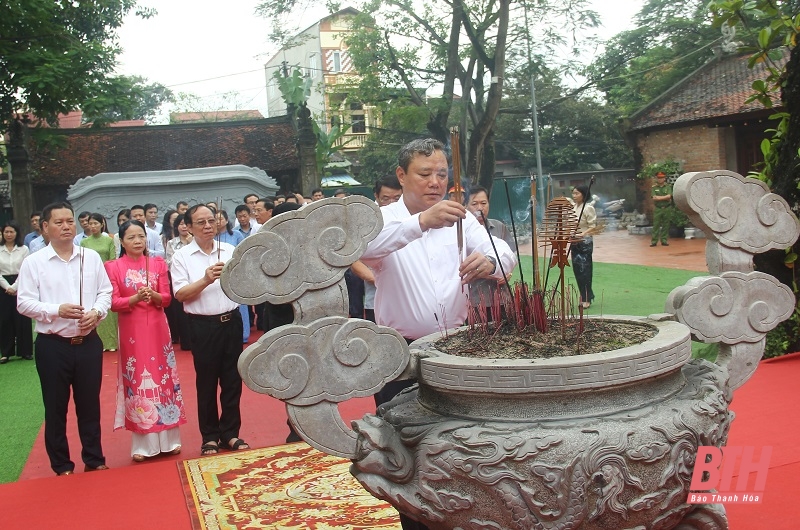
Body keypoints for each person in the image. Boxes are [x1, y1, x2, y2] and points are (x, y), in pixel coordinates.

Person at [360, 138, 516, 530]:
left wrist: (490, 263)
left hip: (458, 348)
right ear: (402, 175)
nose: (435, 182)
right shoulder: (384, 220)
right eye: (425, 174)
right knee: (406, 454)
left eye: (442, 174)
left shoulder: (463, 218)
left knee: (461, 447)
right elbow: (365, 250)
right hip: (400, 354)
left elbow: (505, 255)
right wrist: (421, 222)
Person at [17, 202, 112, 475]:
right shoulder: (34, 263)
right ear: (44, 227)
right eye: (58, 222)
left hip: (88, 343)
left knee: (89, 405)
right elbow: (24, 303)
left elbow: (105, 292)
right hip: (53, 345)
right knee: (56, 406)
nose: (66, 226)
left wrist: (97, 312)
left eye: (69, 221)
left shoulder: (90, 257)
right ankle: (61, 464)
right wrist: (55, 310)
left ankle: (94, 459)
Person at [171, 204, 249, 455]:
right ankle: (210, 436)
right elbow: (181, 294)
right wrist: (206, 279)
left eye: (211, 221)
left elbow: (245, 282)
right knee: (206, 384)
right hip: (202, 326)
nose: (207, 226)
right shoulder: (182, 256)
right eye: (201, 222)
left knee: (232, 381)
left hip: (232, 321)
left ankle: (230, 433)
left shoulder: (228, 250)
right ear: (189, 227)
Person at [105, 220, 187, 462]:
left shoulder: (158, 264)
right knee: (139, 379)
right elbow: (113, 303)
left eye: (141, 236)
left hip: (158, 329)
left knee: (163, 379)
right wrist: (133, 299)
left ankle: (170, 439)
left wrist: (153, 296)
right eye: (131, 237)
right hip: (132, 331)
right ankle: (143, 442)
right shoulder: (114, 267)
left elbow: (167, 298)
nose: (137, 241)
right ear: (121, 241)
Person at [351, 175, 403, 322]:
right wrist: (379, 279)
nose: (392, 203)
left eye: (397, 198)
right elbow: (355, 261)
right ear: (376, 196)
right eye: (386, 199)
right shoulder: (366, 221)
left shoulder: (411, 218)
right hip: (377, 297)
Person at [466, 186, 515, 315]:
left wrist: (508, 273)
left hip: (502, 297)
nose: (480, 208)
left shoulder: (499, 227)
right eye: (474, 204)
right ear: (465, 206)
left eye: (484, 203)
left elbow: (511, 255)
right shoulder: (460, 230)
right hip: (475, 300)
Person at [80, 213, 119, 351]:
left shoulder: (109, 240)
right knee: (94, 306)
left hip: (107, 275)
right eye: (90, 224)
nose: (93, 226)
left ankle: (112, 342)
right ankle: (100, 341)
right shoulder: (84, 242)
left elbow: (112, 258)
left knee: (107, 307)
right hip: (90, 277)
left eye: (96, 223)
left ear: (102, 224)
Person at [1, 220, 32, 363]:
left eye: (11, 232)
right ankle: (6, 352)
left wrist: (15, 287)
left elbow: (25, 270)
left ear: (16, 233)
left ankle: (25, 351)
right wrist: (7, 286)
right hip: (3, 286)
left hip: (21, 283)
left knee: (22, 317)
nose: (8, 234)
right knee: (4, 319)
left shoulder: (24, 249)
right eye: (6, 232)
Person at [165, 214, 193, 351]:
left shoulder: (196, 241)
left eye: (185, 224)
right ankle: (186, 341)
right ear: (176, 227)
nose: (183, 226)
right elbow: (170, 263)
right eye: (180, 224)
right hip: (179, 280)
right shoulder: (171, 243)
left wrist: (190, 243)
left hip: (196, 280)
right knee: (181, 313)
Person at [570, 185, 596, 309]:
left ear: (583, 194)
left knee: (584, 270)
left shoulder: (588, 208)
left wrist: (583, 234)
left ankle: (587, 298)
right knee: (577, 270)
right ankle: (583, 295)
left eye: (576, 193)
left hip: (585, 242)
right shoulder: (574, 207)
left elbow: (593, 226)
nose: (574, 196)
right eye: (573, 193)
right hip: (574, 241)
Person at [651, 171, 673, 247]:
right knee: (656, 225)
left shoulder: (668, 187)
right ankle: (654, 241)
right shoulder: (654, 188)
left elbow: (669, 196)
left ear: (664, 179)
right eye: (658, 178)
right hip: (658, 208)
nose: (660, 179)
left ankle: (664, 240)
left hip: (667, 208)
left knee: (666, 225)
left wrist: (659, 198)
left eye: (662, 178)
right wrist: (664, 198)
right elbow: (654, 197)